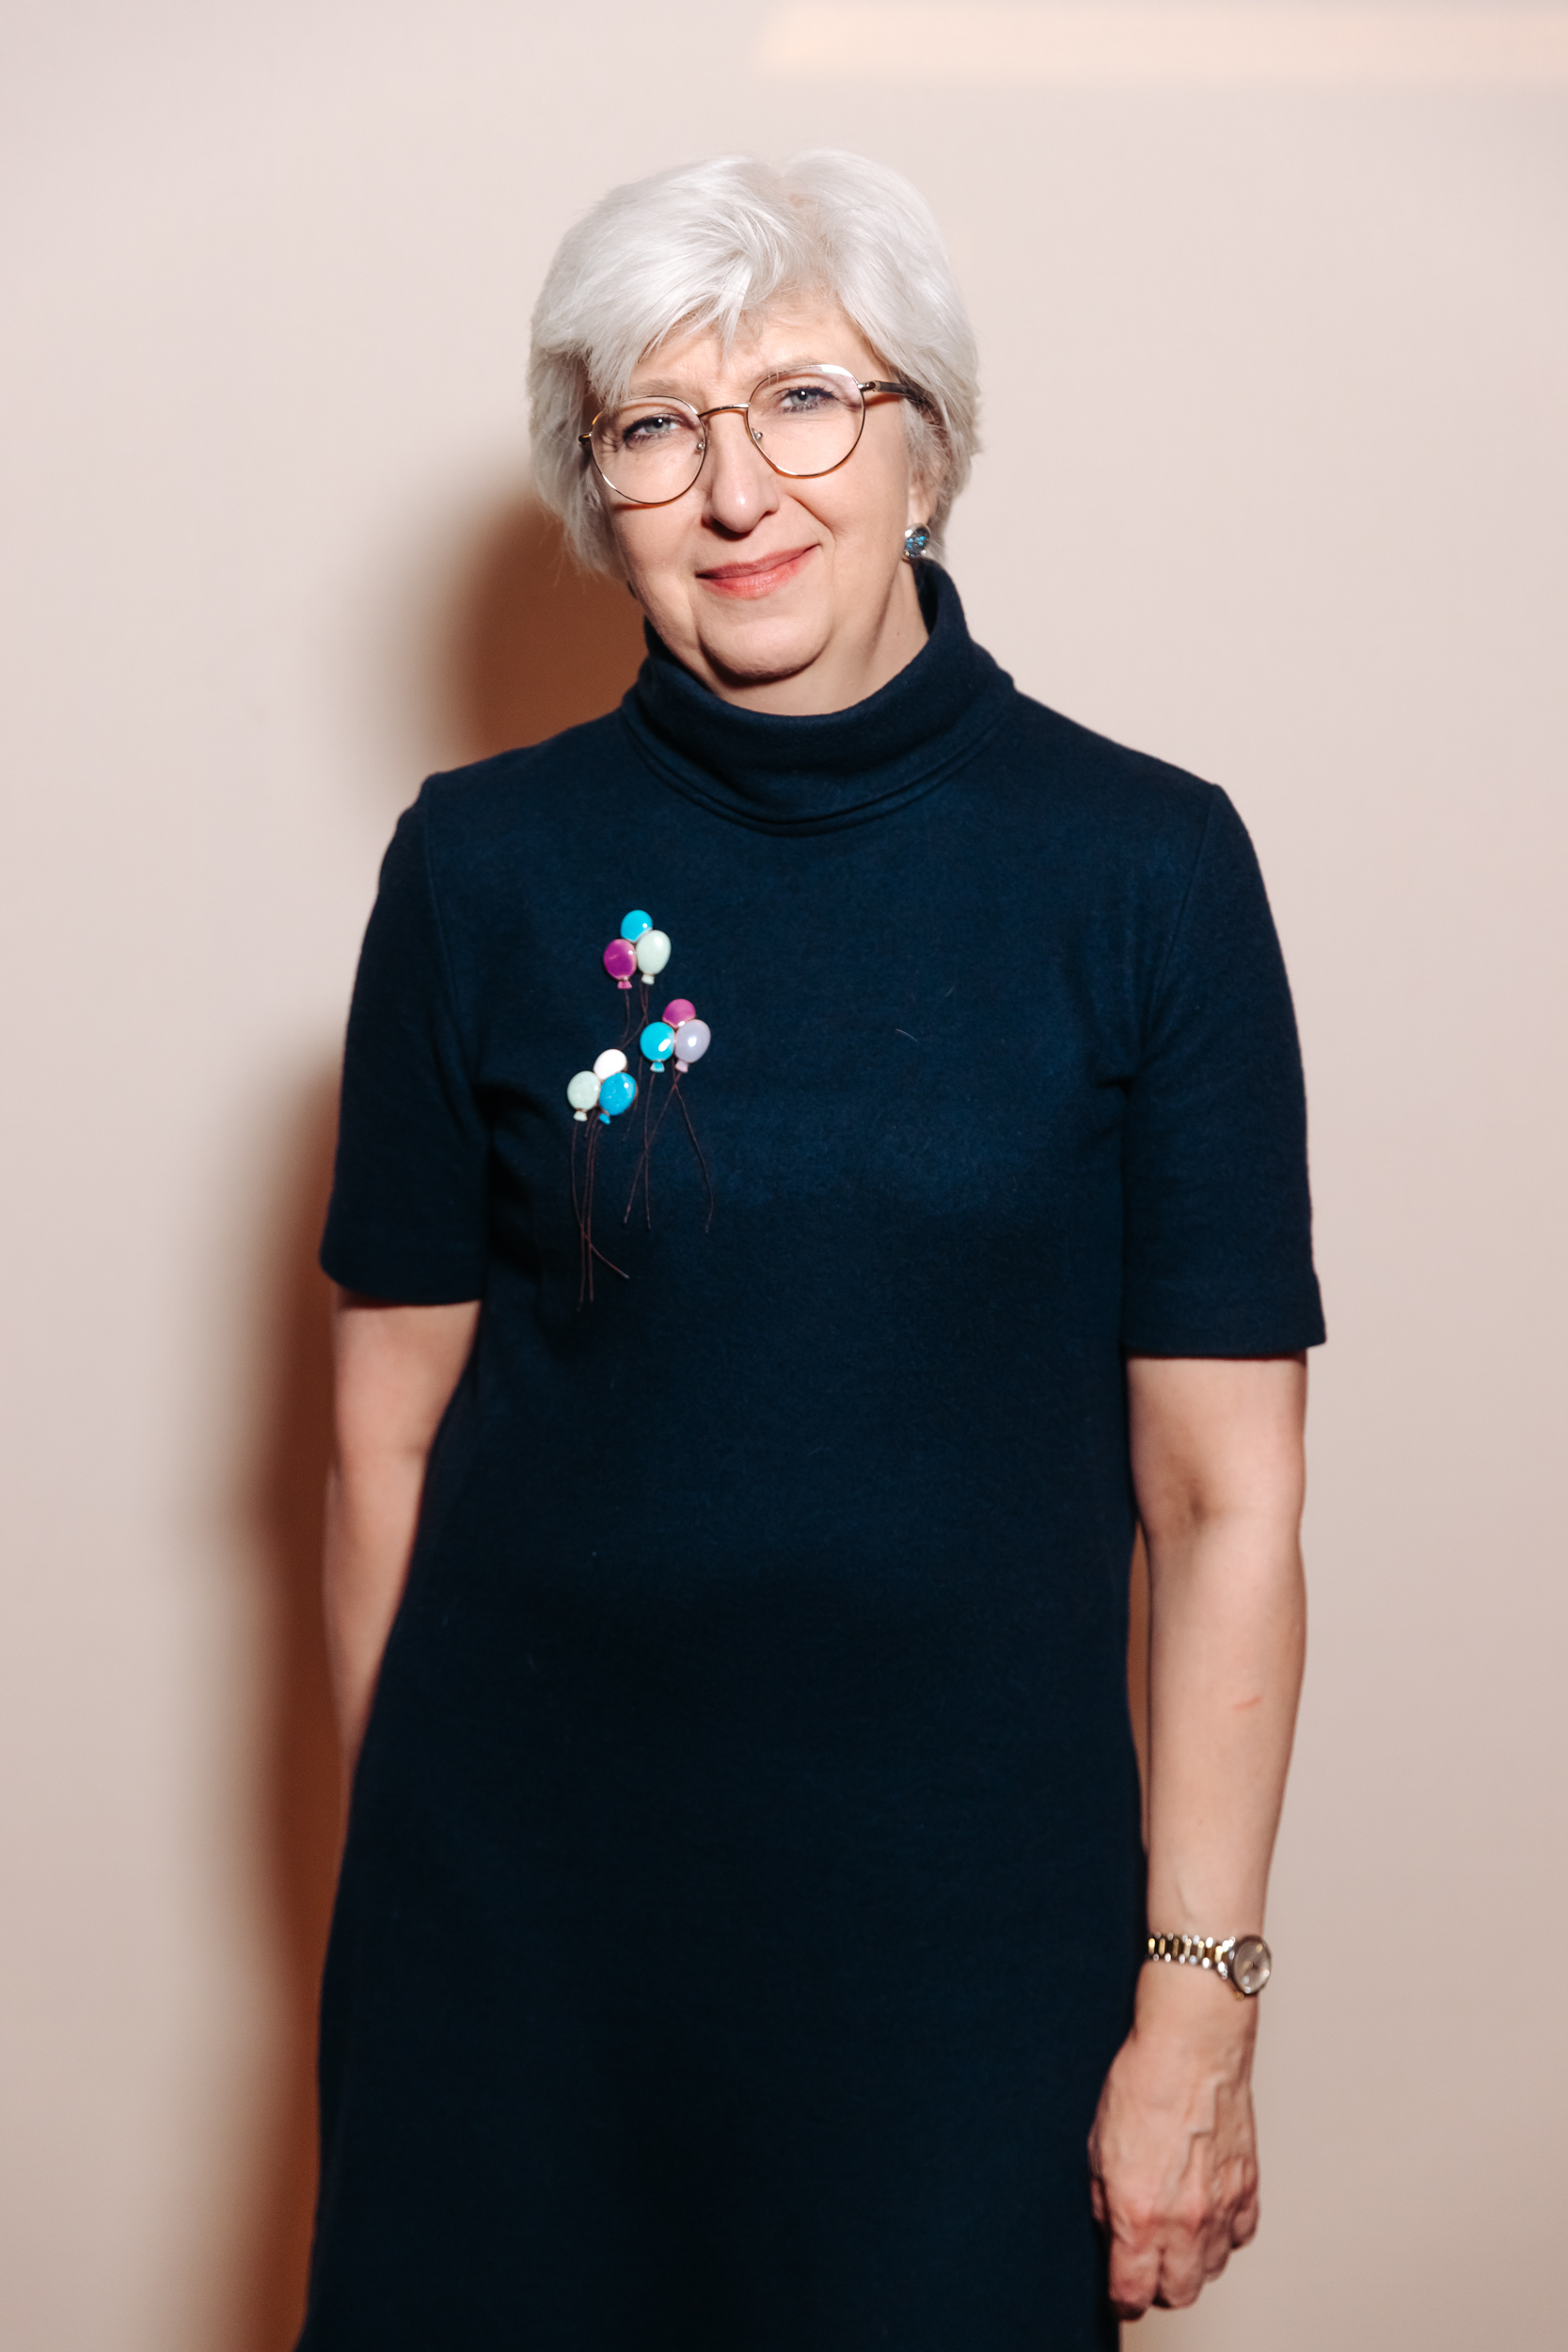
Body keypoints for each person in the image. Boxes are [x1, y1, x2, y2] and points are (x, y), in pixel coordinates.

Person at [297, 151, 1323, 2350]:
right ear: (601, 488)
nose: (737, 486)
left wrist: (1200, 2004)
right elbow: (383, 1446)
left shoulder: (1147, 870)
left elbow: (1226, 1500)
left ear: (925, 444)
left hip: (965, 1964)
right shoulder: (477, 867)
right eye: (657, 425)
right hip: (517, 1952)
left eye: (804, 400)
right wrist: (415, 1897)